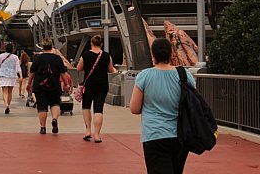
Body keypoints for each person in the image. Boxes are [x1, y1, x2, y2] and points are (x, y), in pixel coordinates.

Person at [130, 37, 196, 174]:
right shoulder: (184, 75)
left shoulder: (144, 76)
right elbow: (192, 102)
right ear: (171, 53)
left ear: (153, 54)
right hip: (180, 134)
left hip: (154, 134)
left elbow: (134, 109)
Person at [76, 35, 116, 143]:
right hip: (102, 85)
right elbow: (111, 70)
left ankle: (88, 131)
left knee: (86, 107)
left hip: (89, 85)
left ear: (91, 43)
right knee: (98, 109)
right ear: (101, 44)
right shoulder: (106, 56)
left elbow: (79, 68)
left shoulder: (85, 55)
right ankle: (97, 135)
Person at [29, 38, 71, 134]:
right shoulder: (57, 59)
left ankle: (43, 127)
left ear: (43, 47)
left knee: (42, 106)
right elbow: (63, 73)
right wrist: (67, 85)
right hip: (54, 85)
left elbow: (32, 72)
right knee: (55, 103)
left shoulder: (38, 58)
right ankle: (54, 119)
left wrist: (29, 83)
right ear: (52, 46)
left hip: (40, 86)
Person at [0, 43, 21, 114]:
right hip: (12, 75)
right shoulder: (15, 57)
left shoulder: (1, 56)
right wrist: (20, 76)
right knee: (10, 92)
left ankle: (6, 105)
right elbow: (18, 67)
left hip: (3, 75)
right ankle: (9, 104)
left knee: (4, 91)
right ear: (12, 49)